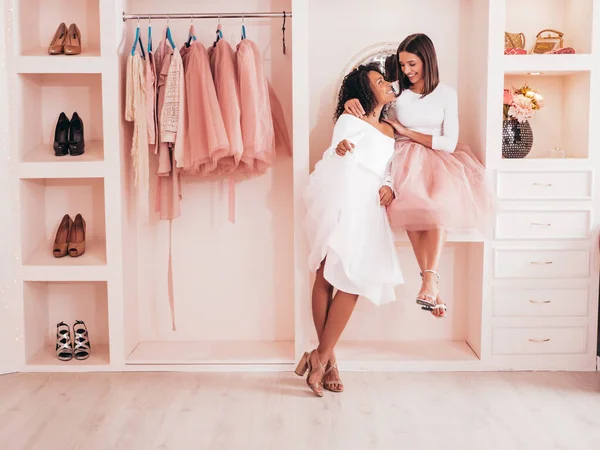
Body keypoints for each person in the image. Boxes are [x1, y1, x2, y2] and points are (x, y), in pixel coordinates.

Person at [341, 33, 492, 319]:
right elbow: (367, 96)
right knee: (411, 207)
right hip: (404, 159)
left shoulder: (447, 93)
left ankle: (429, 280)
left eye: (412, 64)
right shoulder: (396, 90)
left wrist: (405, 131)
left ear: (427, 60)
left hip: (441, 160)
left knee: (438, 210)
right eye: (402, 64)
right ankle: (431, 284)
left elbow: (449, 142)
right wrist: (351, 101)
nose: (407, 71)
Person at [295, 63, 403, 397]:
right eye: (378, 82)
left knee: (354, 281)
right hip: (343, 198)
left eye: (386, 80)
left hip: (370, 207)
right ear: (364, 90)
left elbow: (390, 168)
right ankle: (329, 362)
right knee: (326, 275)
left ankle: (319, 356)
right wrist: (339, 149)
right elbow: (336, 149)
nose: (386, 85)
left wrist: (390, 186)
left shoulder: (389, 128)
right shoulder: (349, 118)